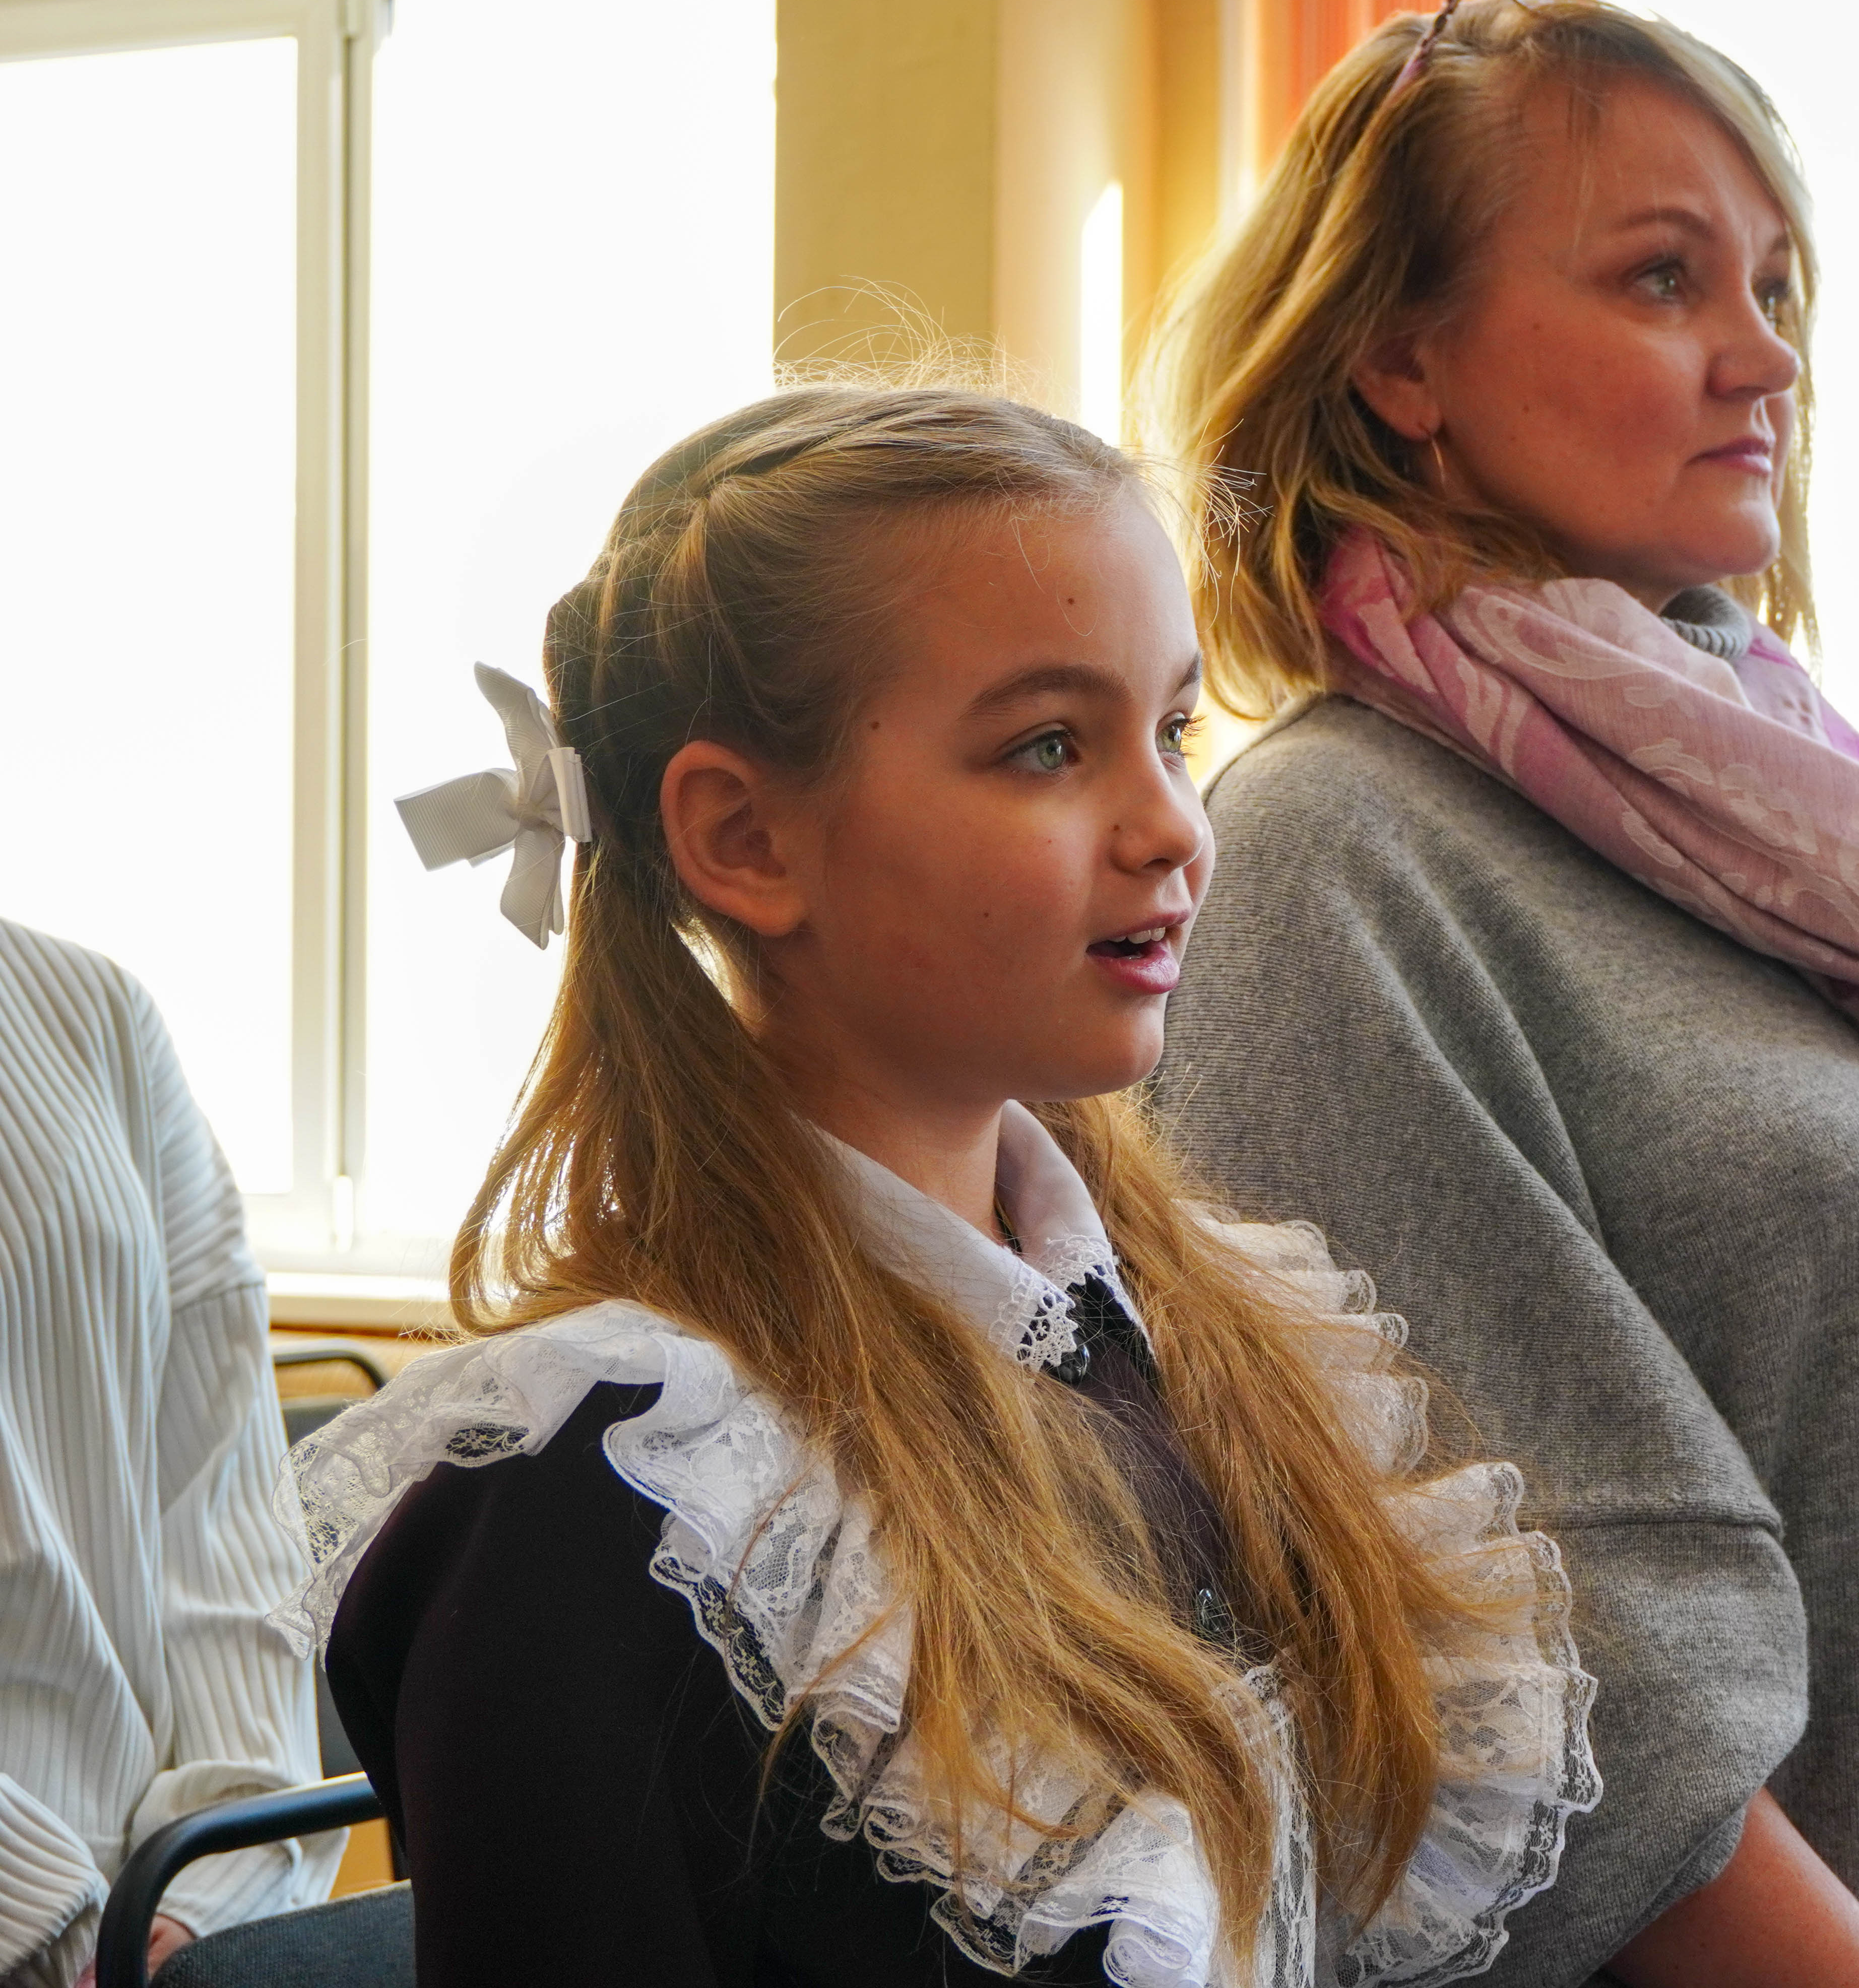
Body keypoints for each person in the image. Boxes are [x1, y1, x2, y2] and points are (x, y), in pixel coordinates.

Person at [1147, 0, 1859, 1987]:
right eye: (1663, 278)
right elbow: (1511, 1641)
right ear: (1401, 360)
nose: (1765, 353)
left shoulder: (1829, 822)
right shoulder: (1331, 855)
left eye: (1776, 286)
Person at [275, 384, 1598, 1986]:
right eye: (1048, 747)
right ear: (746, 838)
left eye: (1174, 732)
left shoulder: (1203, 1340)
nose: (1175, 827)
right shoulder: (623, 1492)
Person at [0, 925, 341, 1988]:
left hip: (155, 1920)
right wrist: (51, 1921)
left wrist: (213, 1892)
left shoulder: (100, 1013)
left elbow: (224, 1499)